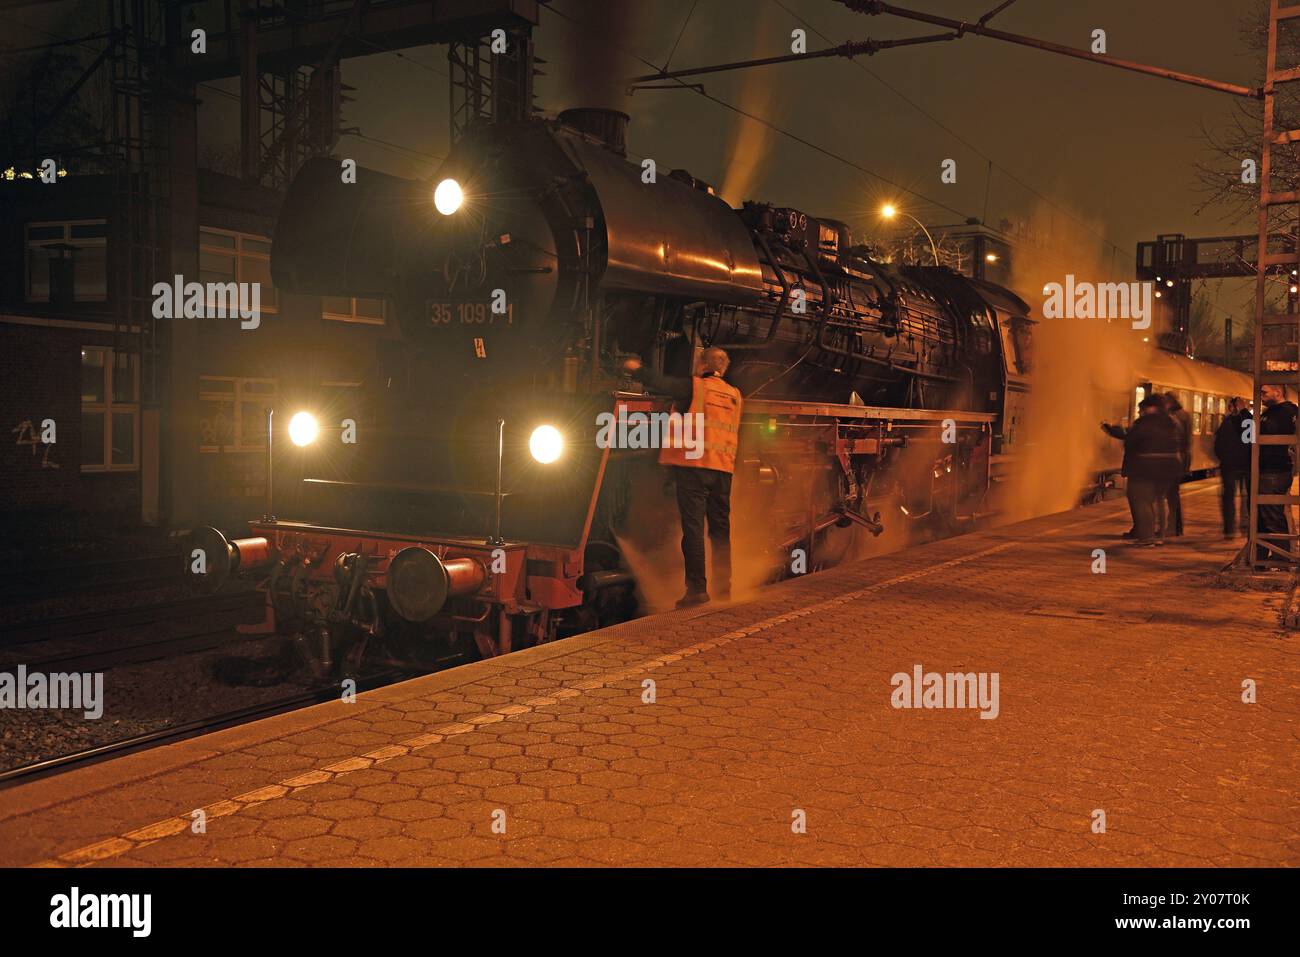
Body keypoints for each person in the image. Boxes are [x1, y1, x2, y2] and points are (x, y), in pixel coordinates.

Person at [622, 347, 743, 607]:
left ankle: (697, 590)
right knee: (721, 531)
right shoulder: (735, 395)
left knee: (694, 529)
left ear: (702, 364)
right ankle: (724, 589)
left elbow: (661, 383)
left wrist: (635, 368)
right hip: (723, 469)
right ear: (724, 368)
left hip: (694, 468)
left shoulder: (696, 387)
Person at [1101, 395, 1183, 546]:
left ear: (1151, 408)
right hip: (1167, 468)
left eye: (1141, 409)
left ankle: (1146, 537)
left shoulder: (1146, 423)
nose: (1139, 412)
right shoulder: (1170, 422)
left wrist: (1112, 430)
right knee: (1155, 501)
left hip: (1146, 468)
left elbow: (1131, 440)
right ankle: (1156, 535)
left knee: (1140, 500)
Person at [1257, 384, 1298, 561]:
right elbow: (1249, 437)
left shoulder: (1282, 413)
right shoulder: (1274, 412)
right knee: (1266, 515)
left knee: (1272, 515)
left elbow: (1253, 436)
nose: (1261, 395)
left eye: (1264, 392)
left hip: (1273, 470)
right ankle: (1265, 556)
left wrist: (1247, 420)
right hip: (1272, 469)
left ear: (1277, 392)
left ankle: (1280, 558)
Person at [1213, 397, 1251, 538]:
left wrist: (1223, 458)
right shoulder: (1246, 421)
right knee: (1246, 496)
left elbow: (1218, 444)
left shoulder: (1227, 422)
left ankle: (1229, 529)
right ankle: (1245, 525)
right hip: (1244, 465)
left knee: (1229, 497)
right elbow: (1250, 439)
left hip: (1229, 466)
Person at [1162, 392, 1192, 537]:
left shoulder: (1176, 417)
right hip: (1180, 458)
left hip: (1174, 459)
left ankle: (1172, 527)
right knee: (1173, 495)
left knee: (1171, 496)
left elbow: (1180, 440)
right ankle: (1176, 527)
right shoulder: (1183, 415)